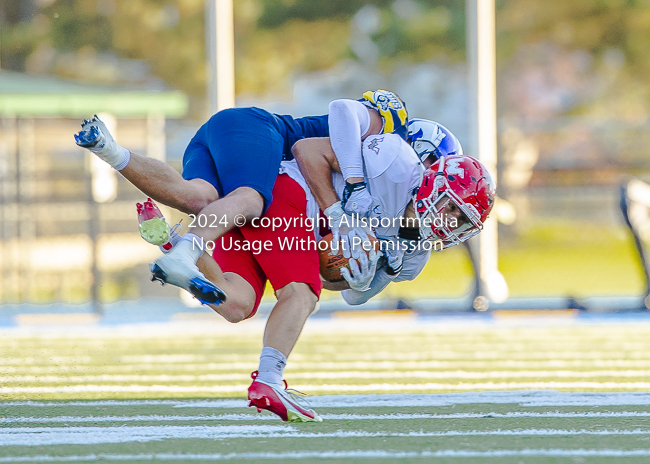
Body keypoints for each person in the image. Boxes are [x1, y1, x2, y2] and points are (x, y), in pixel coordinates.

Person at [74, 90, 408, 306]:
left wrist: (368, 278)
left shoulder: (380, 213)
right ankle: (185, 252)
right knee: (250, 199)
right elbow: (342, 115)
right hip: (258, 130)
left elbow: (330, 274)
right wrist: (348, 191)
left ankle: (113, 152)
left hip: (232, 136)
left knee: (198, 200)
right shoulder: (376, 138)